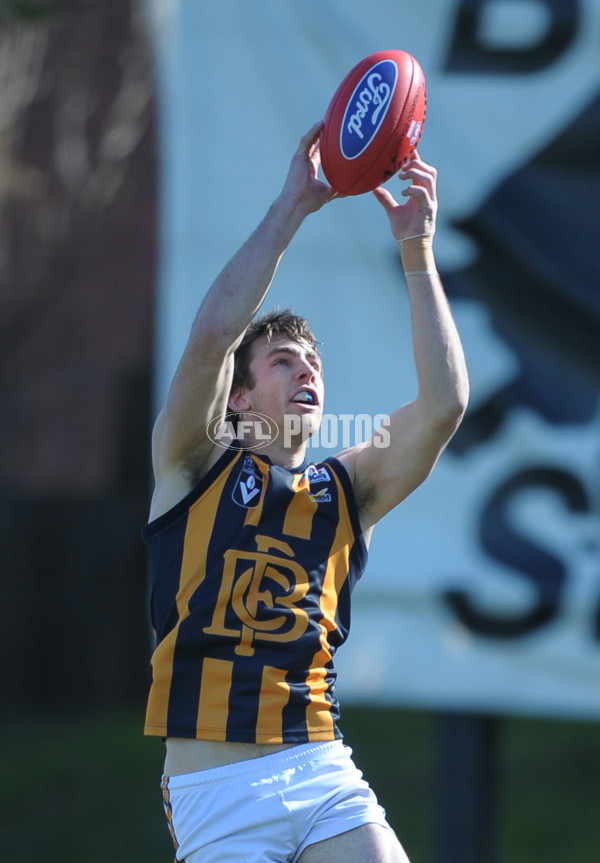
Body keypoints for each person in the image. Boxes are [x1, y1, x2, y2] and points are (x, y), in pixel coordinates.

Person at [142, 122, 469, 863]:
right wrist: (293, 206)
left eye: (312, 362)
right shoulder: (192, 465)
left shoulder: (346, 490)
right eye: (283, 361)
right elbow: (212, 337)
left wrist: (416, 250)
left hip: (318, 767)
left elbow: (444, 405)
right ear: (239, 397)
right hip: (213, 793)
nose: (304, 372)